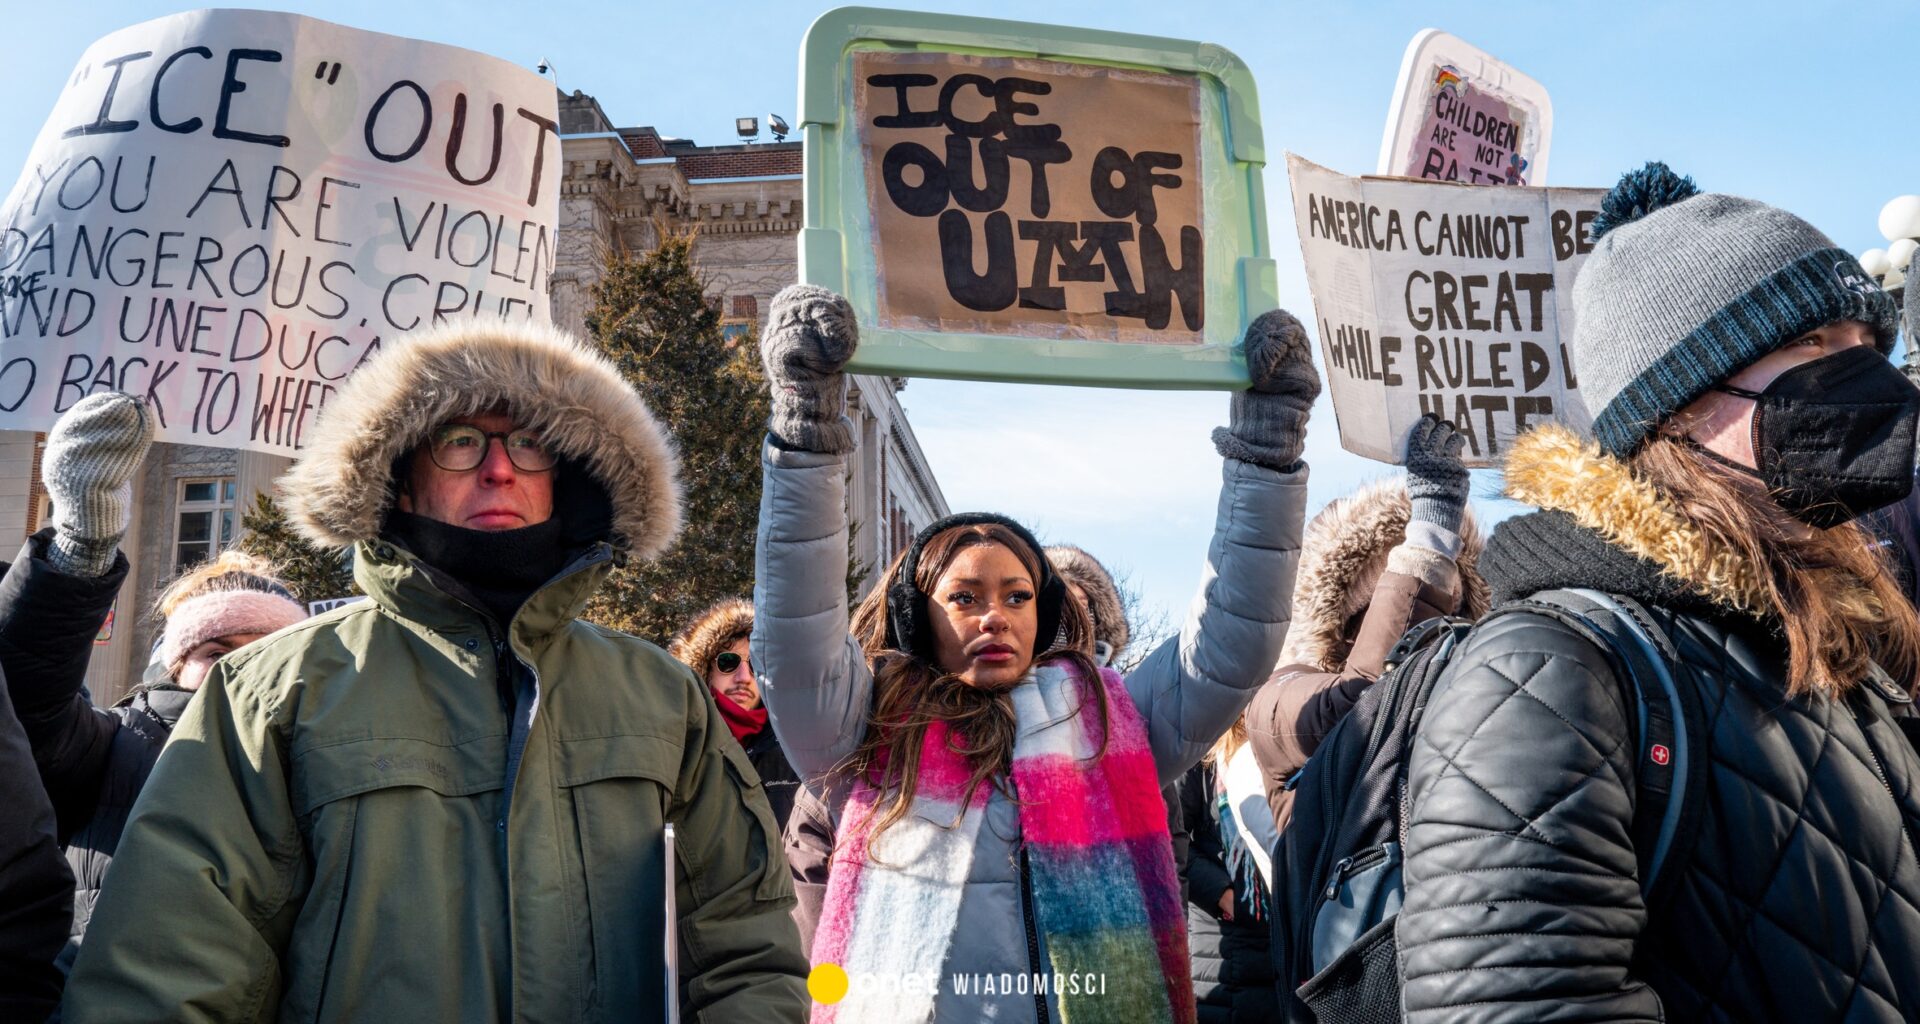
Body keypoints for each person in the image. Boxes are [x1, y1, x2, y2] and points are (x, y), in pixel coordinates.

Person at [64, 320, 807, 1022]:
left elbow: (745, 944)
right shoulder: (273, 692)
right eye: (459, 441)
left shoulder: (661, 695)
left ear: (567, 477)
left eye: (528, 444)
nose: (497, 469)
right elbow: (169, 965)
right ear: (401, 475)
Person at [1395, 164, 1920, 1021]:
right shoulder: (1548, 670)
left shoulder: (1832, 644)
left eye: (1870, 348)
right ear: (1677, 403)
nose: (1869, 381)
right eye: (1817, 347)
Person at [755, 284, 1312, 1023]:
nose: (996, 616)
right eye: (965, 597)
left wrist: (1267, 454)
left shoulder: (1105, 719)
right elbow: (796, 632)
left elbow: (1233, 640)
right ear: (918, 618)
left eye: (1019, 597)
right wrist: (805, 431)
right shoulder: (864, 728)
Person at [1244, 415, 1485, 829]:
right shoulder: (1276, 700)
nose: (1434, 641)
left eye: (1450, 617)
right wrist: (1428, 541)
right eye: (1398, 603)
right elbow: (1364, 710)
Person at [1176, 720, 1278, 1023]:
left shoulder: (1276, 742)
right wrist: (1223, 895)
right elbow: (1172, 838)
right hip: (1224, 938)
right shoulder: (1200, 752)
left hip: (1279, 933)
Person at [670, 598, 800, 831]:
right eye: (728, 662)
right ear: (706, 670)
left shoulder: (795, 749)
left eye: (755, 665)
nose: (743, 677)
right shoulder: (677, 745)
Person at [1046, 545, 1131, 667]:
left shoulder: (1107, 682)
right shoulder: (1018, 675)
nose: (1073, 611)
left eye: (1082, 604)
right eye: (1063, 602)